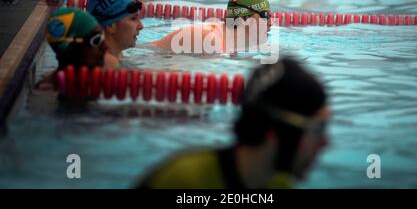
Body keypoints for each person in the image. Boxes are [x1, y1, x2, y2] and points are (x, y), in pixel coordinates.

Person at [135, 57, 330, 188]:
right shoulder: (182, 179)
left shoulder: (280, 185)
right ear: (275, 132)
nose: (325, 142)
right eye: (318, 129)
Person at [149, 0, 273, 55]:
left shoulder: (251, 43)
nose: (271, 21)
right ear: (243, 18)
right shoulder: (209, 37)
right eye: (265, 15)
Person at [36, 8, 107, 90]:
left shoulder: (105, 84)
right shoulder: (47, 91)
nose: (105, 46)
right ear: (70, 46)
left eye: (103, 37)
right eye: (96, 40)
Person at [88, 0, 144, 68]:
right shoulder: (108, 63)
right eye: (133, 18)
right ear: (111, 26)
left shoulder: (116, 53)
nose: (141, 26)